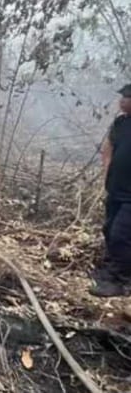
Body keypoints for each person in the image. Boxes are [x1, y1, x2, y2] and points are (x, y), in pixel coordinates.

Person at [91, 84, 131, 297]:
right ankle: (109, 272)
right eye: (122, 97)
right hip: (116, 190)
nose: (122, 101)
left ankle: (122, 281)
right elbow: (108, 148)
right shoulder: (121, 123)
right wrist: (107, 171)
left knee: (120, 235)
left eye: (127, 97)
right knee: (109, 231)